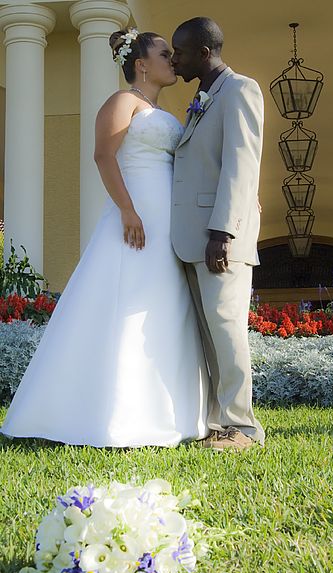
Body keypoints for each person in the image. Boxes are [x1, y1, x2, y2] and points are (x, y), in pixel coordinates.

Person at [0, 29, 210, 447]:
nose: (173, 60)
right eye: (164, 54)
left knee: (161, 309)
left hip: (166, 226)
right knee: (121, 306)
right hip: (133, 222)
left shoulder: (160, 110)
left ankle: (170, 413)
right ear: (142, 64)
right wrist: (128, 209)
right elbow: (103, 155)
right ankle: (96, 412)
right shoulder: (122, 102)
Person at [170, 17, 265, 450]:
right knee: (209, 333)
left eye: (182, 52)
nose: (176, 59)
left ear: (204, 53)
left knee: (227, 328)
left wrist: (222, 232)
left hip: (220, 239)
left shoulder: (241, 90)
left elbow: (241, 168)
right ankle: (218, 423)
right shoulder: (204, 96)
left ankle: (243, 428)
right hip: (192, 240)